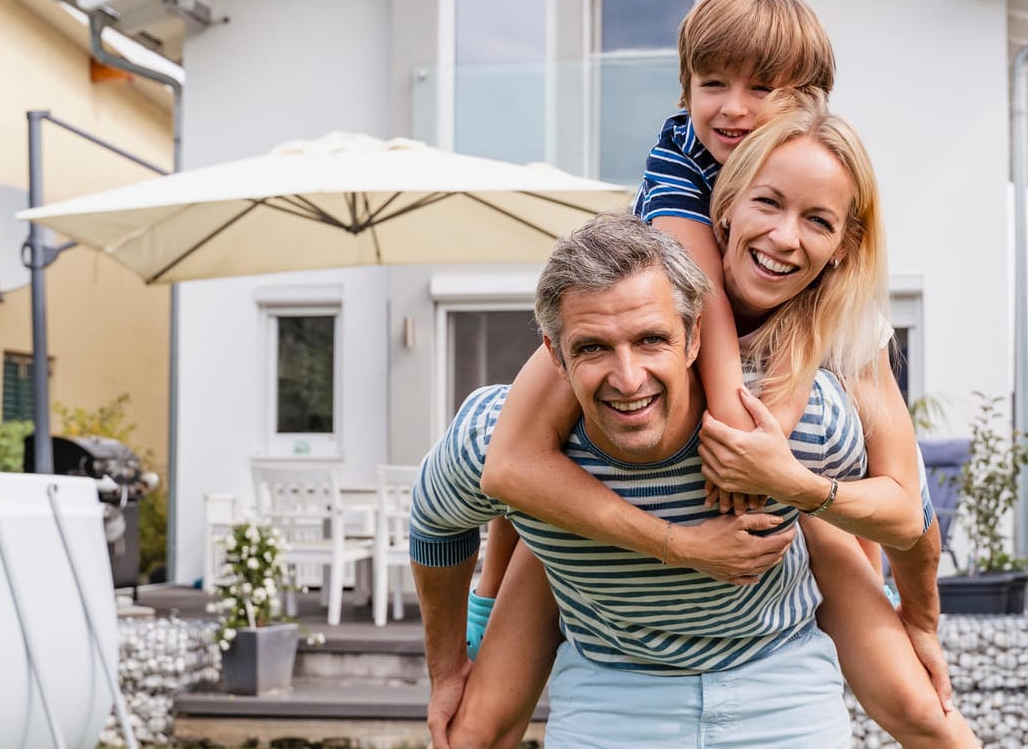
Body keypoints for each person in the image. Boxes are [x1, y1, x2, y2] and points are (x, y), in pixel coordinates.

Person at [468, 96, 978, 748]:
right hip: (599, 541)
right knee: (480, 722)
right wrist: (483, 607)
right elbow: (512, 472)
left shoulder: (844, 332)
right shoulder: (635, 304)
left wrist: (921, 624)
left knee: (921, 710)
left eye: (817, 219)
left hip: (789, 534)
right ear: (725, 207)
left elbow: (910, 514)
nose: (785, 236)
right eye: (768, 203)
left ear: (845, 245)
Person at [411, 213, 867, 748]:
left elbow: (890, 507)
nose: (628, 379)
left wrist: (915, 618)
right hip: (610, 697)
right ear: (555, 355)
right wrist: (444, 671)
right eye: (593, 348)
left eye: (651, 340)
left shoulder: (796, 420)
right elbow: (433, 526)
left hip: (779, 687)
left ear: (695, 337)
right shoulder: (490, 435)